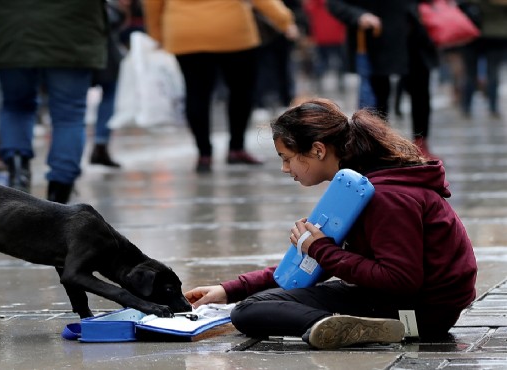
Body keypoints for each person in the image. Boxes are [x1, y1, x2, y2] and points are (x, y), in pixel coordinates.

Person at [184, 98, 477, 349]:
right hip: (397, 302)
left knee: (250, 312)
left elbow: (401, 279)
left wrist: (320, 249)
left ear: (318, 150)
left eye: (287, 158)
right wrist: (228, 290)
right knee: (255, 303)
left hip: (419, 313)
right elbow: (311, 266)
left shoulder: (386, 196)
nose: (285, 169)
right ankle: (344, 325)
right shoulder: (355, 187)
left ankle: (342, 327)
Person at [0, 0, 107, 203]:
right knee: (69, 113)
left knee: (15, 105)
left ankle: (18, 173)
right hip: (72, 28)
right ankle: (60, 192)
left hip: (9, 26)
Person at [143, 0, 299, 173]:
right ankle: (236, 149)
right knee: (241, 91)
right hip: (232, 31)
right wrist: (285, 20)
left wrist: (156, 34)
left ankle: (204, 154)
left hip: (185, 32)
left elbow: (152, 5)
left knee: (196, 93)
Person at [327, 0, 439, 160]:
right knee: (378, 96)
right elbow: (335, 4)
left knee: (420, 92)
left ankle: (421, 144)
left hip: (414, 37)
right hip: (376, 40)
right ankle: (378, 146)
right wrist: (359, 16)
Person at [89, 0, 127, 169]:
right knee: (70, 111)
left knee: (68, 108)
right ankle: (100, 145)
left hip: (63, 51)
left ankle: (100, 145)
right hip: (96, 51)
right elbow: (112, 17)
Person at [458, 0, 507, 119]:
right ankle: (493, 108)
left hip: (472, 32)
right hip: (495, 34)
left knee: (470, 74)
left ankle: (466, 107)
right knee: (492, 72)